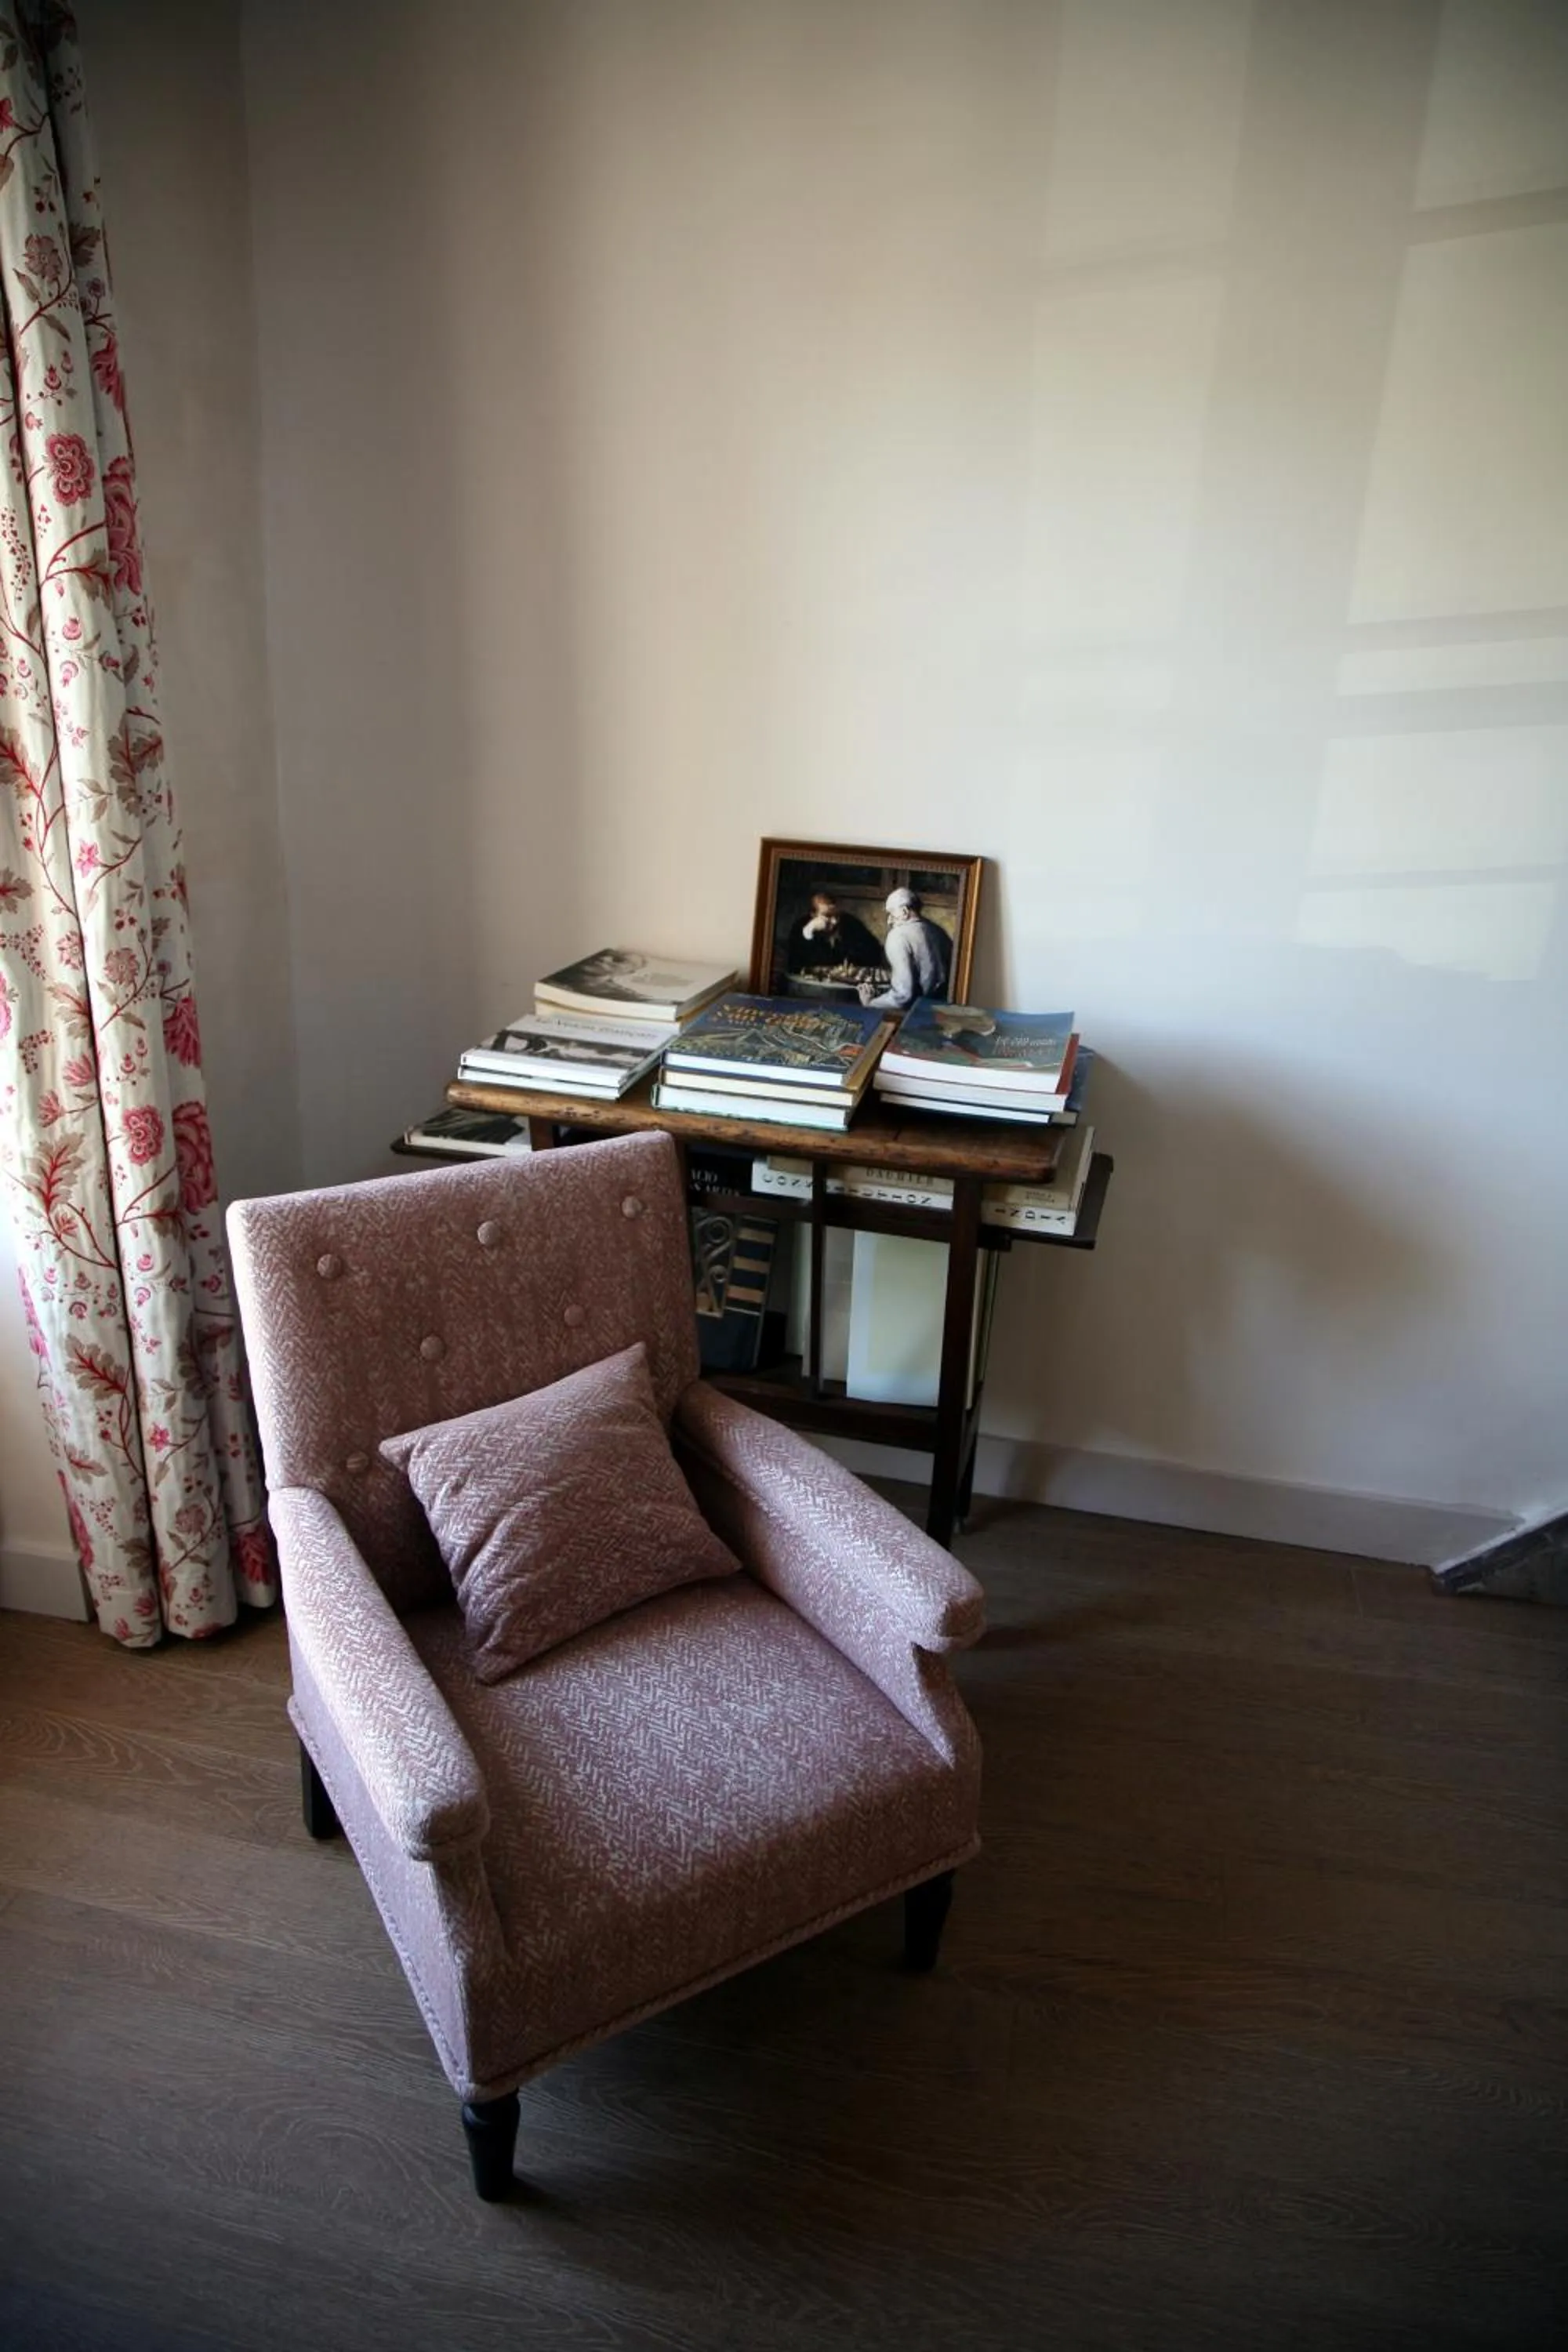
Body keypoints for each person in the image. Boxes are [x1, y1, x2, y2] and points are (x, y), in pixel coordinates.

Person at [860, 888, 950, 1009]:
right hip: (942, 1008)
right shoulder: (938, 931)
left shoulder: (898, 936)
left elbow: (902, 996)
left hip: (915, 1013)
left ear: (904, 911)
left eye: (891, 914)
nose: (889, 920)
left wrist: (871, 1003)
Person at [784, 891, 885, 978]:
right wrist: (809, 932)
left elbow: (874, 951)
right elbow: (795, 966)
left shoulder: (851, 923)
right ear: (813, 914)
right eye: (827, 916)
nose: (835, 921)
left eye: (837, 915)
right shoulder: (801, 927)